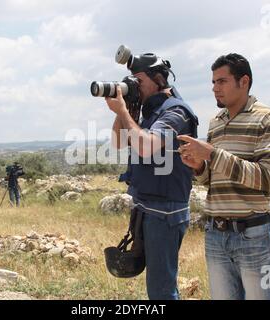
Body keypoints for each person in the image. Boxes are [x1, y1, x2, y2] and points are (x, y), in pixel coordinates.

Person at [178, 53, 270, 300]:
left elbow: (266, 178)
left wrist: (212, 155)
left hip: (255, 238)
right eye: (213, 82)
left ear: (243, 81)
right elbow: (214, 180)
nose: (215, 88)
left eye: (222, 81)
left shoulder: (267, 118)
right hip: (216, 235)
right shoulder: (216, 122)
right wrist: (199, 168)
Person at [106, 49, 198, 300]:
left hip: (166, 213)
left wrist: (124, 112)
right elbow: (117, 142)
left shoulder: (176, 112)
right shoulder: (149, 113)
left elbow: (146, 147)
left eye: (139, 82)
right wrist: (122, 112)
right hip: (148, 208)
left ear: (159, 79)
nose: (133, 87)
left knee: (161, 290)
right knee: (155, 288)